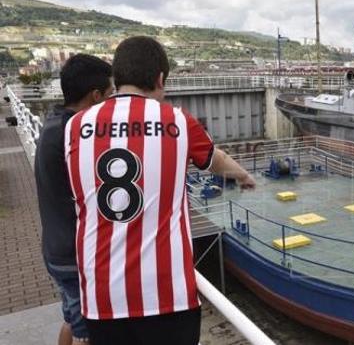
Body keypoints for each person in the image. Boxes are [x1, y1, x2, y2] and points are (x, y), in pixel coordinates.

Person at [64, 36, 256, 345]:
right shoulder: (178, 121)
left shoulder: (76, 126)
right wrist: (244, 176)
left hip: (102, 297)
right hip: (167, 295)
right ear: (160, 78)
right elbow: (215, 160)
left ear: (118, 77)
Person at [35, 54, 114, 345]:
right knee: (86, 334)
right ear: (95, 96)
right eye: (110, 94)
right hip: (73, 255)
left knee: (71, 318)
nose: (113, 101)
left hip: (56, 248)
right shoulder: (74, 135)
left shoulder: (56, 123)